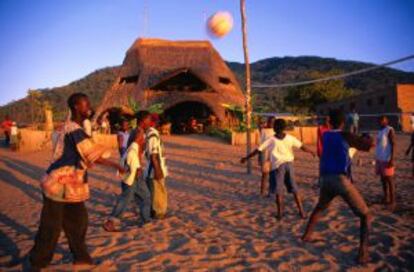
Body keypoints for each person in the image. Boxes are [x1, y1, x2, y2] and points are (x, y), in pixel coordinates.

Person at [29, 93, 125, 271]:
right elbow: (90, 153)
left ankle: (81, 258)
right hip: (58, 184)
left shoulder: (72, 128)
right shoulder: (73, 129)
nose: (89, 106)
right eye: (85, 103)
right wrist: (116, 165)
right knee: (51, 226)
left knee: (79, 222)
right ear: (75, 106)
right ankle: (38, 263)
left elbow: (84, 152)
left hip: (72, 185)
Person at [302, 109, 373, 265]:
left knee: (320, 208)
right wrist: (367, 137)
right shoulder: (345, 135)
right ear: (343, 122)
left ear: (330, 122)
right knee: (365, 215)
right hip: (340, 180)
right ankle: (363, 254)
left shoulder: (326, 135)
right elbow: (367, 146)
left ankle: (307, 235)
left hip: (326, 178)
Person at [241, 118, 316, 219]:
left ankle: (280, 214)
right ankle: (301, 211)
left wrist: (246, 158)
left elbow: (258, 150)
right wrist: (311, 151)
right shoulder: (290, 138)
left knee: (278, 191)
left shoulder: (271, 140)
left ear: (275, 128)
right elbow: (302, 146)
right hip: (289, 165)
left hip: (277, 167)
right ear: (284, 128)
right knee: (294, 190)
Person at [103, 118, 152, 232]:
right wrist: (138, 171)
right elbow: (133, 161)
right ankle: (112, 221)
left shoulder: (133, 146)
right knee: (133, 198)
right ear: (137, 137)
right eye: (141, 136)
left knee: (140, 197)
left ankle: (145, 219)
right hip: (133, 177)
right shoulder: (133, 148)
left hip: (131, 177)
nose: (143, 138)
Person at [144, 112, 168, 219]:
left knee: (153, 191)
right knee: (159, 192)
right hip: (154, 168)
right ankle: (159, 212)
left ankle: (153, 210)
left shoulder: (150, 133)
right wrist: (158, 170)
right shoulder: (153, 134)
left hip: (152, 167)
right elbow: (154, 154)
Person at [375, 116, 396, 211]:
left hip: (387, 158)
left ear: (387, 121)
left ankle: (392, 200)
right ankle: (385, 198)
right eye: (379, 120)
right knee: (382, 179)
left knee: (389, 180)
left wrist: (392, 159)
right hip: (380, 158)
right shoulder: (380, 131)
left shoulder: (389, 130)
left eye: (382, 120)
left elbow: (393, 144)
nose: (381, 122)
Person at [258, 117, 275, 196]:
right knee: (265, 174)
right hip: (265, 154)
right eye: (270, 122)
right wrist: (259, 156)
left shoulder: (276, 131)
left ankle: (270, 192)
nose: (271, 123)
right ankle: (262, 192)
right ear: (267, 122)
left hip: (273, 154)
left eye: (273, 122)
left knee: (272, 174)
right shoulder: (264, 131)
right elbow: (261, 144)